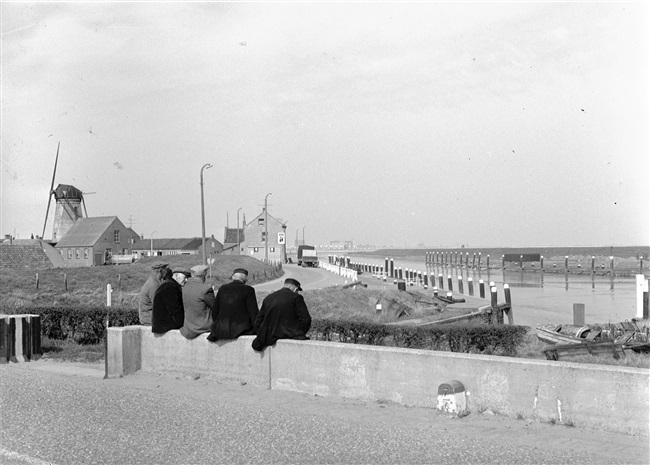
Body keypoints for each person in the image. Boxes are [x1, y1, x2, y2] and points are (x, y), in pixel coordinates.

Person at [251, 278, 311, 351]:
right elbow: (305, 319)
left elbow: (258, 321)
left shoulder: (269, 298)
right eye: (298, 290)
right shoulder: (296, 297)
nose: (297, 292)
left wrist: (264, 334)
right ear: (295, 289)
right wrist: (299, 332)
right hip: (291, 337)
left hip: (270, 339)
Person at [207, 268, 258, 342]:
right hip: (241, 328)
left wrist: (218, 325)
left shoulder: (222, 289)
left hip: (222, 329)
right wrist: (258, 331)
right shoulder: (248, 290)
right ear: (245, 278)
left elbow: (215, 311)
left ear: (233, 277)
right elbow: (253, 313)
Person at [180, 264, 216, 339]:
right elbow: (215, 307)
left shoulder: (185, 287)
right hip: (202, 327)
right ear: (205, 275)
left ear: (193, 275)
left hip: (187, 327)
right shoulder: (206, 288)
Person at [151, 268, 185, 334]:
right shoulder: (169, 286)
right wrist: (183, 325)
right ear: (176, 276)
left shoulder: (167, 285)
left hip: (164, 325)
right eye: (184, 277)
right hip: (165, 326)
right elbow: (175, 309)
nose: (186, 280)